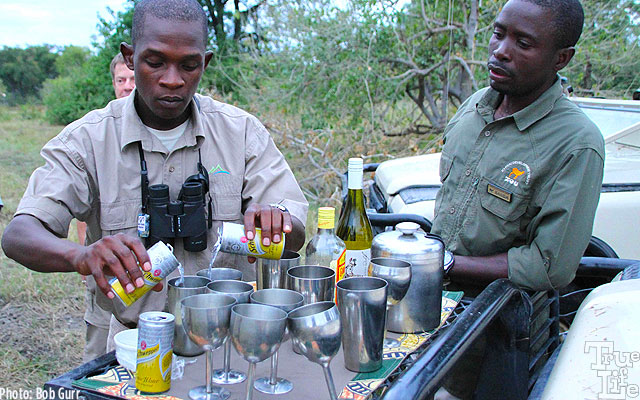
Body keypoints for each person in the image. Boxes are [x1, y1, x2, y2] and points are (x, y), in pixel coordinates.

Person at [2, 0, 307, 359]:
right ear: (130, 58)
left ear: (205, 63)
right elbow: (19, 235)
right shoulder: (87, 140)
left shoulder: (241, 133)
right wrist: (81, 255)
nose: (172, 79)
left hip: (228, 346)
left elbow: (296, 235)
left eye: (189, 65)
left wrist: (276, 222)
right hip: (131, 342)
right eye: (155, 62)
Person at [431, 1, 603, 398]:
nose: (501, 50)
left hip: (499, 340)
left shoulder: (576, 143)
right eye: (498, 33)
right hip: (433, 322)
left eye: (523, 43)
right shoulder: (475, 107)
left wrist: (447, 263)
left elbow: (550, 265)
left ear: (561, 58)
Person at [75, 53, 136, 362]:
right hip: (105, 266)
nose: (126, 87)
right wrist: (82, 252)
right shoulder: (97, 130)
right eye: (120, 80)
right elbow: (83, 210)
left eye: (132, 79)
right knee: (99, 340)